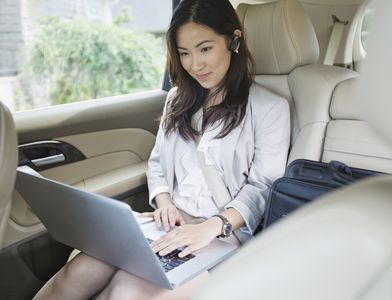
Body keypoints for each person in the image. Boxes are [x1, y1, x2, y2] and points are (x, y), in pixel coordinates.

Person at [33, 0, 290, 299]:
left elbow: (262, 187)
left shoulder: (270, 108)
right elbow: (157, 163)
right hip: (169, 223)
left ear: (233, 40)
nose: (195, 64)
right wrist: (164, 202)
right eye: (184, 53)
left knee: (125, 292)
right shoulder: (178, 99)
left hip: (222, 236)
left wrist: (210, 227)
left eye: (205, 49)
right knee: (74, 274)